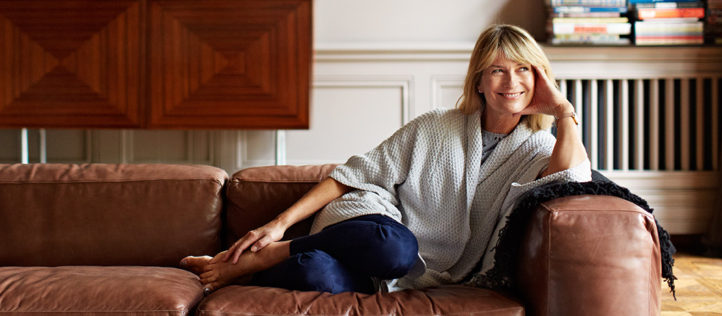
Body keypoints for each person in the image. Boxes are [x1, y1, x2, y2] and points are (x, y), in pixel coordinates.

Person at [181, 24, 592, 294]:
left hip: (397, 276)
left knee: (314, 274)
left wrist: (564, 112)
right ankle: (273, 252)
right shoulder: (436, 125)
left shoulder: (538, 148)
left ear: (539, 77)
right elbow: (352, 175)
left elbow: (573, 181)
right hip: (372, 226)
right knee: (394, 246)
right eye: (498, 71)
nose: (511, 82)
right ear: (480, 82)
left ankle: (249, 269)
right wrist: (278, 225)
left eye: (524, 69)